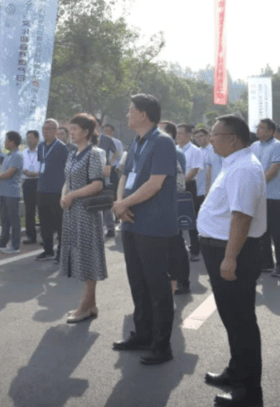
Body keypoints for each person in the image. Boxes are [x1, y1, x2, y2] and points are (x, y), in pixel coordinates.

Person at [198, 115, 267, 407]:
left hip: (234, 251)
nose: (211, 139)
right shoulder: (234, 164)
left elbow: (241, 217)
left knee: (240, 321)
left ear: (234, 139)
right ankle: (236, 371)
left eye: (216, 135)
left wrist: (229, 259)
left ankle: (247, 391)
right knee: (232, 319)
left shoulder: (244, 169)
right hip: (221, 248)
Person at [112, 94, 178, 366]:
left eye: (130, 110)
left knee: (157, 285)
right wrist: (120, 204)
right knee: (137, 282)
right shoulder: (136, 141)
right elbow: (126, 176)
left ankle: (162, 346)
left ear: (143, 114)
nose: (127, 114)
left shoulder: (163, 142)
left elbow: (155, 183)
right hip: (131, 221)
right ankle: (142, 334)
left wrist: (123, 203)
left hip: (153, 225)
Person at [58, 114, 108, 324]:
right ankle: (91, 305)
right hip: (71, 211)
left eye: (75, 129)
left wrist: (71, 196)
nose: (72, 132)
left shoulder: (95, 153)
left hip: (86, 213)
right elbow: (68, 180)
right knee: (79, 255)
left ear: (87, 132)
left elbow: (97, 184)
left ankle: (83, 307)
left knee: (87, 257)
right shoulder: (73, 153)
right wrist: (64, 195)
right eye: (70, 129)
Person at [250, 118, 280, 277]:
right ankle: (266, 263)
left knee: (277, 231)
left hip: (272, 195)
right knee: (261, 230)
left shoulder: (277, 145)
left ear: (271, 131)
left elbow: (273, 170)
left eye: (262, 128)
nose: (259, 130)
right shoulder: (253, 146)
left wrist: (258, 185)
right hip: (256, 195)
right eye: (258, 127)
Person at [162, 121, 191, 295]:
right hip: (167, 205)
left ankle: (182, 281)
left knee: (176, 245)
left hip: (172, 204)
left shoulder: (175, 152)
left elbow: (178, 184)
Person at [36, 119, 68, 262]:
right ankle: (48, 250)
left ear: (56, 131)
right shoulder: (41, 146)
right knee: (44, 223)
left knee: (59, 223)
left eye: (49, 129)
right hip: (42, 189)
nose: (45, 131)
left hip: (56, 191)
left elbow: (67, 170)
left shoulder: (62, 148)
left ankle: (61, 252)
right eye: (44, 128)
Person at [0, 131, 25, 254]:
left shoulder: (17, 155)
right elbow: (1, 171)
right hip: (4, 192)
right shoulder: (9, 155)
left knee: (13, 219)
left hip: (12, 193)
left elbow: (9, 173)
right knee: (4, 218)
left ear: (13, 142)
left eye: (6, 140)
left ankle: (15, 246)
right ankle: (2, 242)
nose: (4, 142)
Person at [177, 123, 204, 261]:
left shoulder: (195, 151)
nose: (177, 135)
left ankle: (195, 250)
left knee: (191, 219)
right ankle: (179, 248)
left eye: (180, 133)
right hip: (175, 187)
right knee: (177, 218)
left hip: (189, 187)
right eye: (177, 133)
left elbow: (194, 170)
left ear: (188, 135)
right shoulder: (174, 149)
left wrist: (180, 182)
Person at [21, 130, 41, 244]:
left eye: (31, 138)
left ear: (37, 138)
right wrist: (25, 171)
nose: (29, 140)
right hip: (27, 182)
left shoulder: (42, 151)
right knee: (29, 210)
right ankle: (31, 236)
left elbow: (44, 166)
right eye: (27, 138)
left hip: (39, 182)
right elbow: (20, 166)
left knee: (42, 209)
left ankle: (45, 236)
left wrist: (36, 173)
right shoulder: (23, 153)